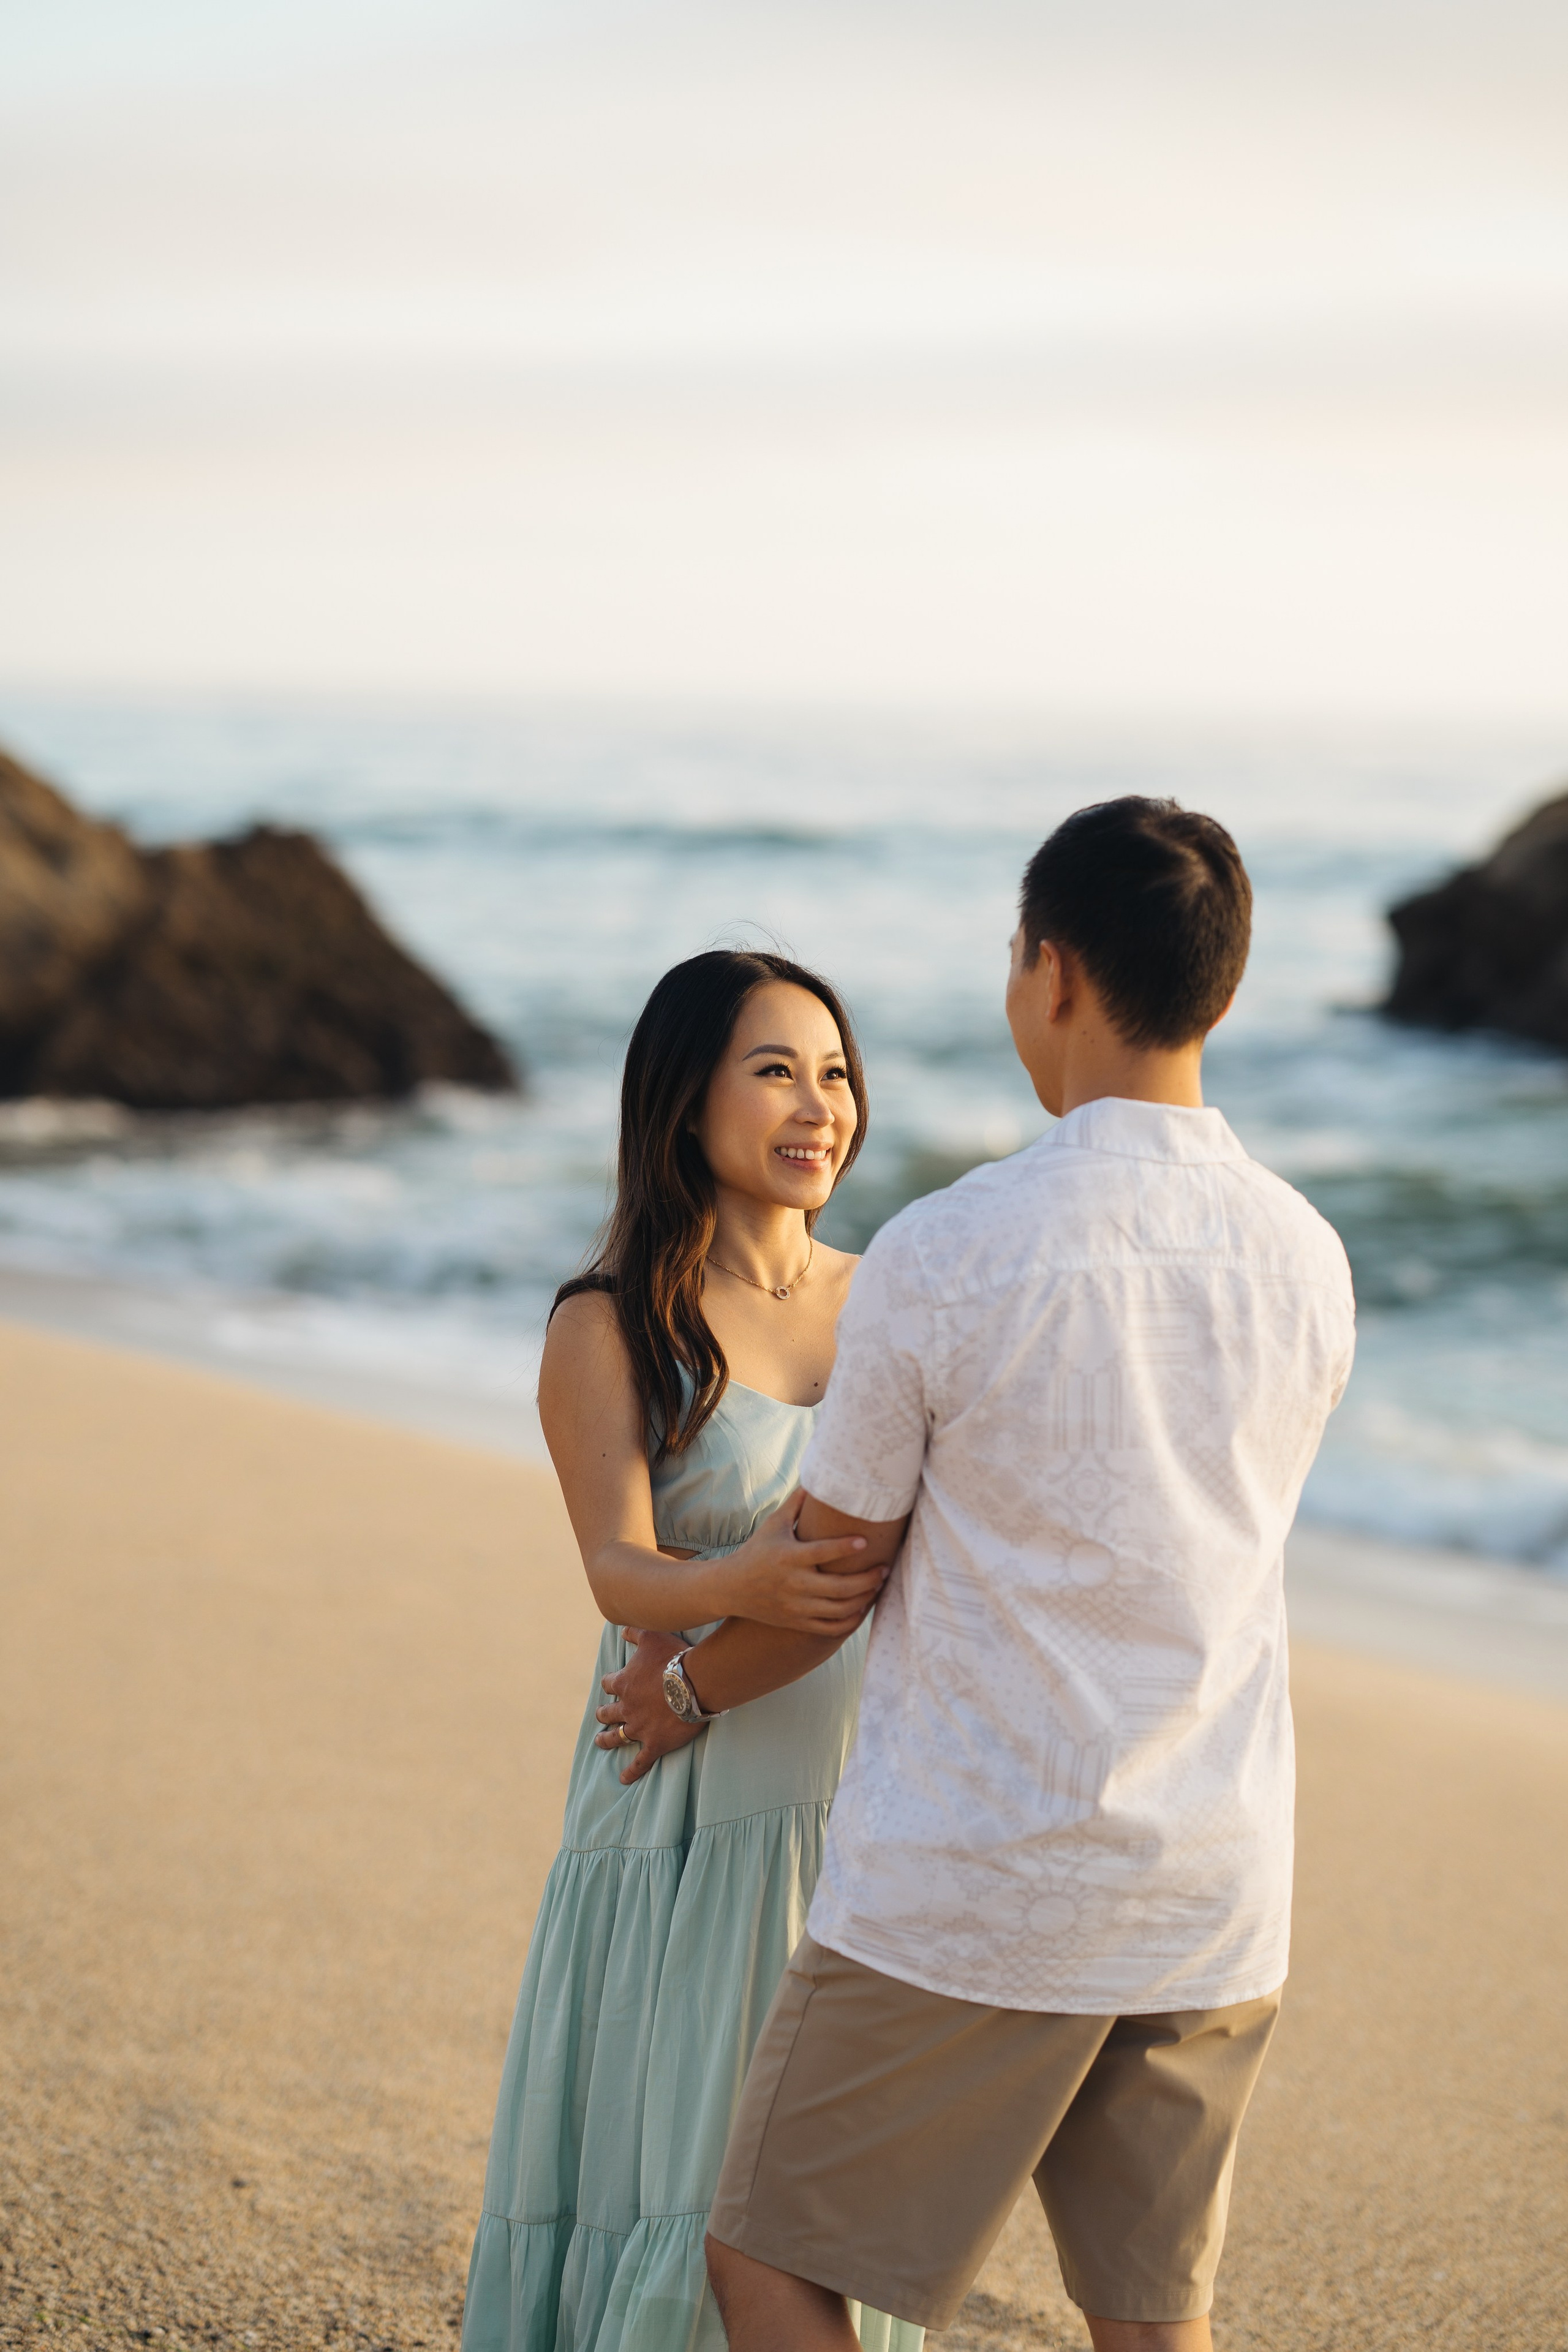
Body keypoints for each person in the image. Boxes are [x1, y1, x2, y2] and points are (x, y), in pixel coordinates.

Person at [608, 800, 1357, 2352]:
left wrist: (678, 1689)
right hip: (1216, 1883)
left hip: (980, 1888)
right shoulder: (1306, 1254)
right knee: (1153, 2321)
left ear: (1052, 971)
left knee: (763, 2260)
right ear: (1216, 987)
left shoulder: (953, 1251)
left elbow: (826, 1576)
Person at [459, 949, 922, 2352]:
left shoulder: (893, 1296)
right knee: (684, 2162)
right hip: (677, 1793)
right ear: (682, 1101)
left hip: (864, 1801)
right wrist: (746, 1582)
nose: (817, 1107)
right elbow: (614, 1565)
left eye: (834, 1073)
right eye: (774, 1070)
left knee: (820, 2193)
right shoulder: (608, 1319)